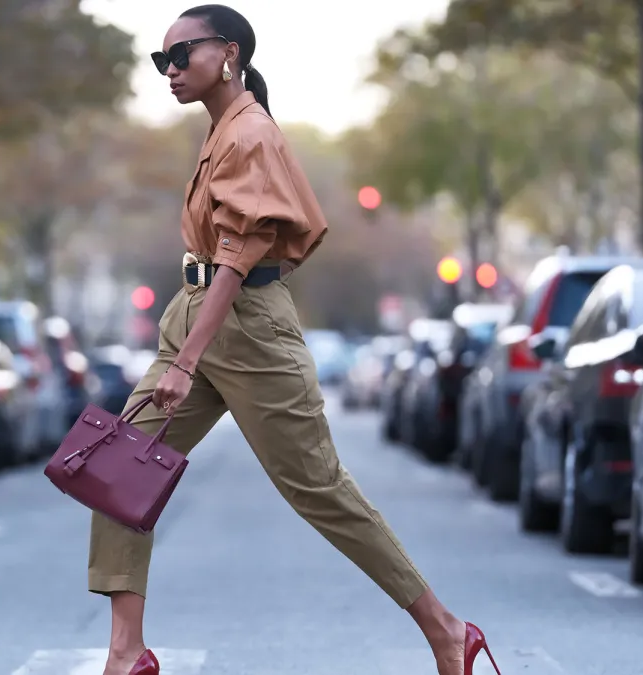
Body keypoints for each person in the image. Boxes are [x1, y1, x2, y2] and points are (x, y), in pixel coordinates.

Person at [89, 6, 502, 675]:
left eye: (181, 54)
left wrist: (187, 360)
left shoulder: (250, 133)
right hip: (192, 311)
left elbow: (238, 254)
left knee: (318, 488)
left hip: (246, 325)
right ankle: (126, 653)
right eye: (159, 60)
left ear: (228, 53)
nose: (169, 70)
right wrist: (183, 339)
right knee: (118, 469)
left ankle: (446, 628)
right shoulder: (221, 130)